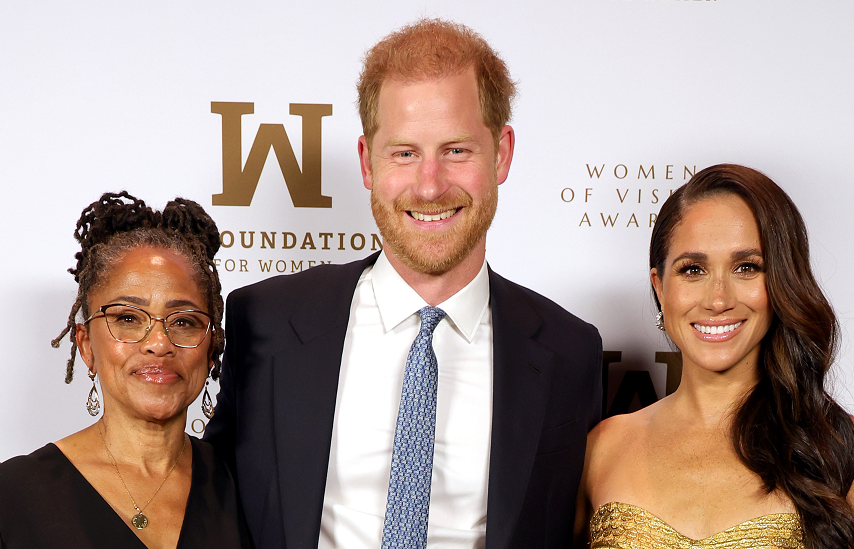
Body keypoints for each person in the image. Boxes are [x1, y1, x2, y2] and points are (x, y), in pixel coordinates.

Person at [203, 18, 603, 549]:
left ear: (501, 154)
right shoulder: (268, 322)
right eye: (405, 153)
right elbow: (207, 505)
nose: (430, 185)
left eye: (457, 150)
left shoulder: (568, 352)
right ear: (368, 161)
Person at [575, 164, 854, 549]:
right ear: (660, 287)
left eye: (746, 268)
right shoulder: (601, 448)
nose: (718, 300)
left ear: (781, 281)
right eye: (693, 269)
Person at [0, 192, 250, 549]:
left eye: (184, 321)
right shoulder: (11, 501)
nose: (159, 343)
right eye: (127, 318)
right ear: (85, 346)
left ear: (211, 348)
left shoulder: (249, 492)